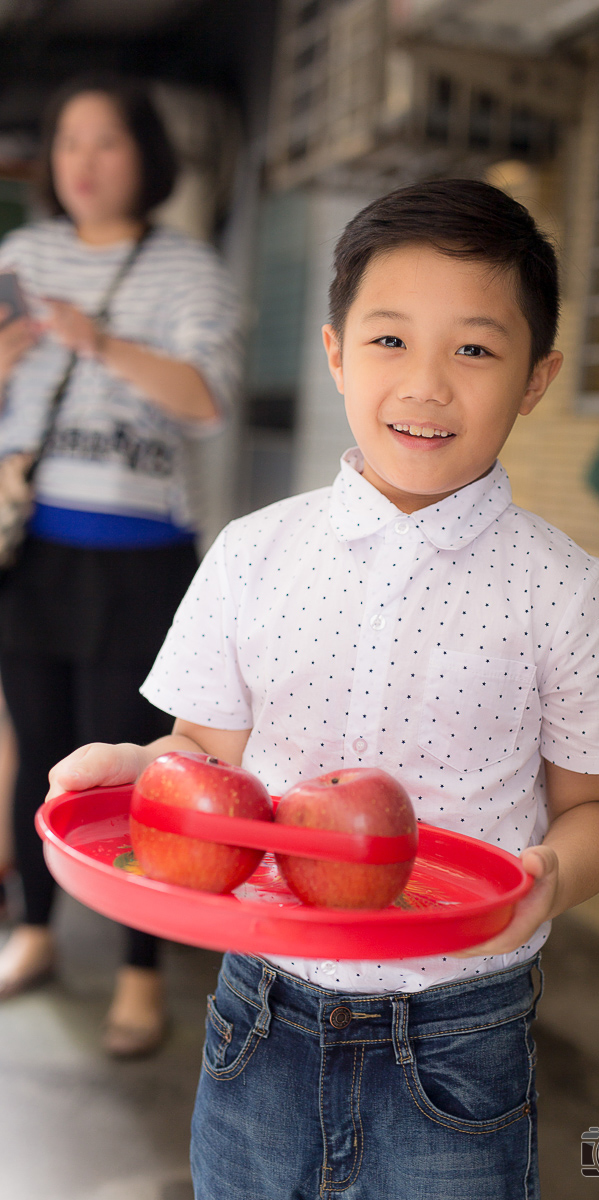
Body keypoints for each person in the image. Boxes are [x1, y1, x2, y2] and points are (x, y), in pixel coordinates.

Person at [48, 180, 599, 1197]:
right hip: (260, 1014)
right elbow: (201, 758)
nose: (425, 385)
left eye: (473, 349)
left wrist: (549, 875)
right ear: (332, 352)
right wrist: (133, 768)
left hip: (458, 1033)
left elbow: (595, 810)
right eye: (387, 341)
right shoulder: (252, 552)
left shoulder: (566, 590)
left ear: (535, 380)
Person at [0, 74, 240, 1057]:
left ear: (145, 152)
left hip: (144, 558)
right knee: (40, 751)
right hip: (35, 546)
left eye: (105, 141)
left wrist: (101, 342)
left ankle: (141, 974)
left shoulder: (192, 271)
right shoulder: (20, 253)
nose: (84, 162)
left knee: (144, 773)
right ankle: (34, 933)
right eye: (67, 143)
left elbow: (207, 400)